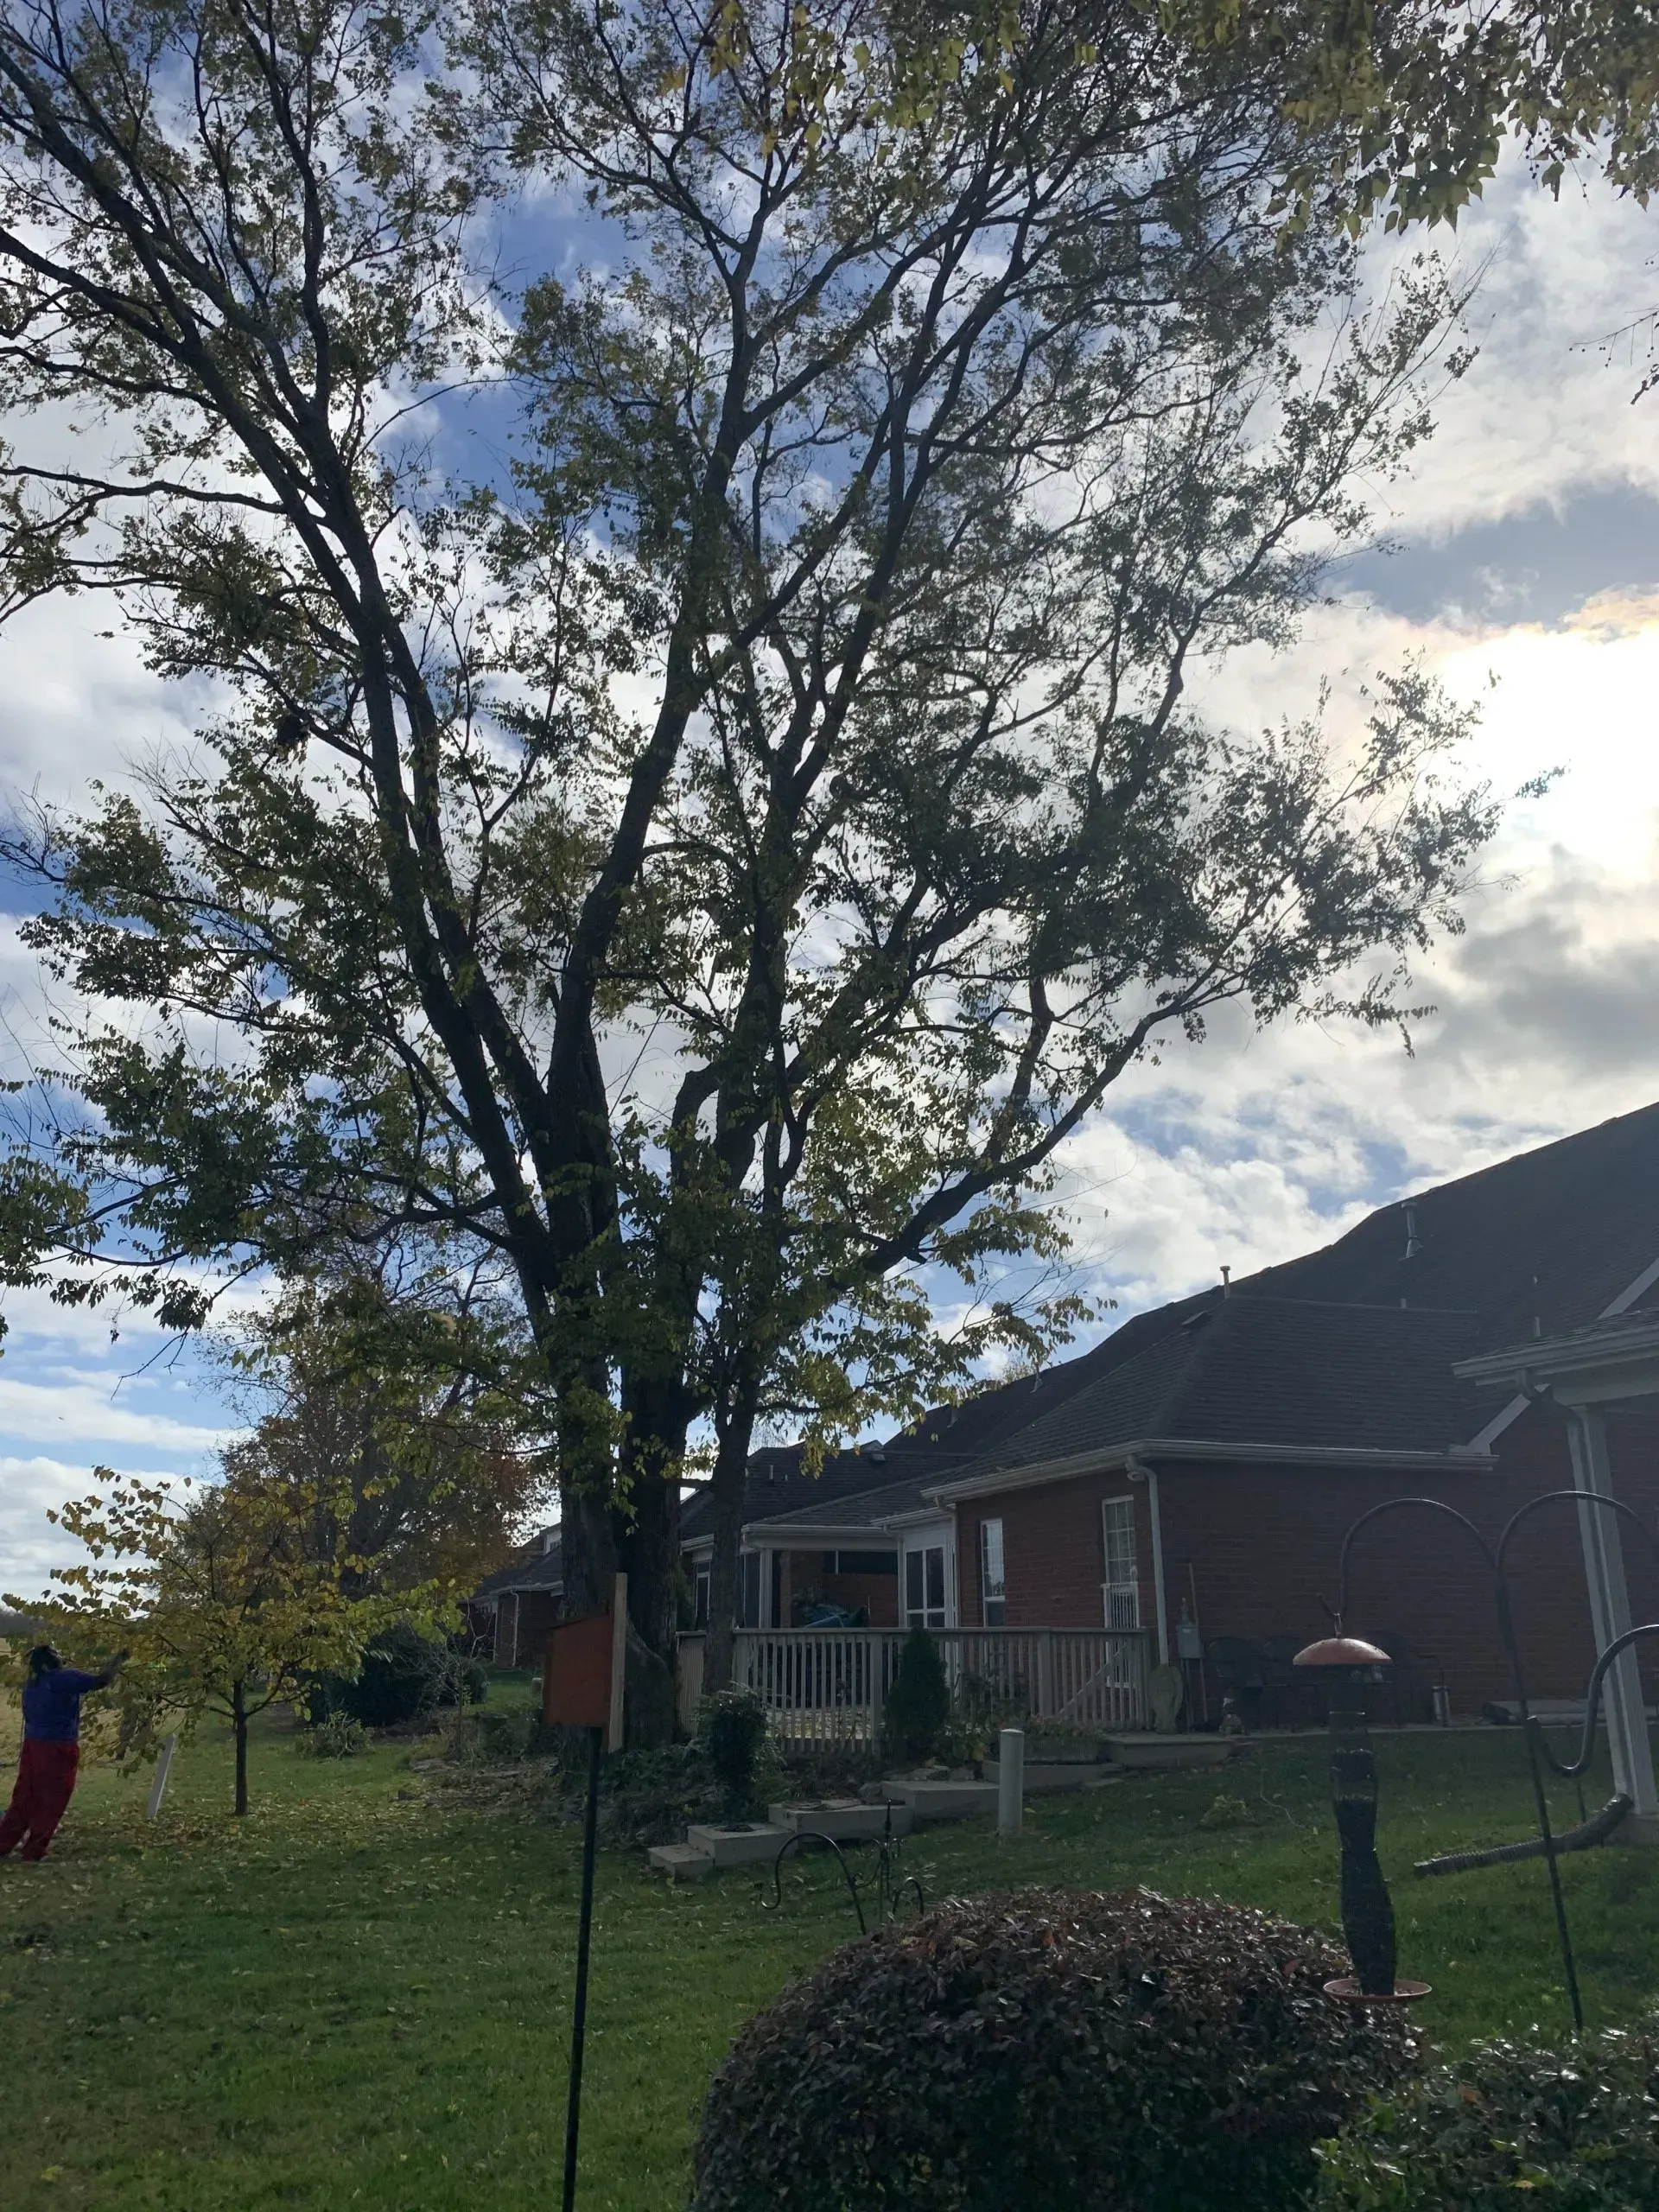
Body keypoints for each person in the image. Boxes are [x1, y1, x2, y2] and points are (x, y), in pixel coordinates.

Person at [0, 1644, 124, 1863]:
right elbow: (101, 1681)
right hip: (58, 1748)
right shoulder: (64, 1678)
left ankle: (3, 1844)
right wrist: (118, 1660)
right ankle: (34, 1851)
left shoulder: (33, 1685)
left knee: (25, 1797)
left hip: (32, 1746)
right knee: (53, 1799)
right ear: (51, 1661)